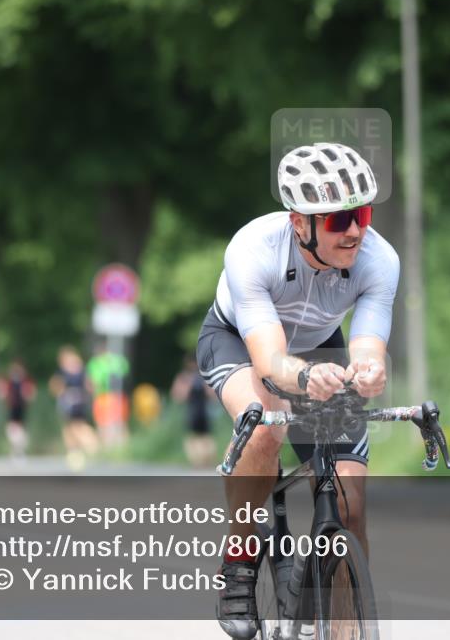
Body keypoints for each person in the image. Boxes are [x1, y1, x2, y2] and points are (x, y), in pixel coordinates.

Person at [196, 142, 398, 639]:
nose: (354, 230)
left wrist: (369, 371)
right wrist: (304, 380)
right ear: (299, 222)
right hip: (240, 342)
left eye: (363, 214)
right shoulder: (253, 248)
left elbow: (368, 346)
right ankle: (240, 560)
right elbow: (269, 361)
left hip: (318, 346)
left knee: (350, 504)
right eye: (337, 220)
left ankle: (346, 627)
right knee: (266, 425)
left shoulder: (379, 258)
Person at [49, 346, 99, 471]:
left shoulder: (79, 371)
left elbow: (90, 385)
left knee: (77, 426)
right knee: (69, 428)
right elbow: (55, 386)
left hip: (77, 402)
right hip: (68, 402)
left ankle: (92, 446)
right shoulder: (66, 372)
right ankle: (75, 452)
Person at [171, 354, 217, 468]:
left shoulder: (205, 377)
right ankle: (196, 461)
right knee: (192, 437)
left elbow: (213, 395)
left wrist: (206, 386)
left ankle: (206, 460)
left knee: (206, 437)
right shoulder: (183, 377)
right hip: (192, 410)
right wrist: (188, 385)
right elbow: (178, 396)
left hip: (204, 410)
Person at [86, 343, 130, 448]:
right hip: (114, 396)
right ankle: (120, 447)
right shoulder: (117, 360)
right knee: (117, 423)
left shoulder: (96, 363)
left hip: (106, 396)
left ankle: (109, 447)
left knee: (107, 424)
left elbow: (92, 382)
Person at [0, 358, 36, 461]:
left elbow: (31, 392)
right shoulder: (9, 381)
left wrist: (28, 396)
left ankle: (20, 449)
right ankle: (16, 448)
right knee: (11, 428)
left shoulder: (25, 381)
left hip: (21, 406)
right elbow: (2, 391)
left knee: (20, 428)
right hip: (12, 406)